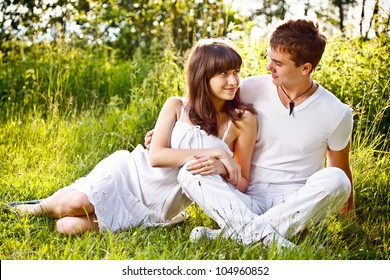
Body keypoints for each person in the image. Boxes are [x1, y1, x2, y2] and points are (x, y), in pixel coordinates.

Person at [10, 38, 258, 235]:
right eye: (223, 73)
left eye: (236, 71)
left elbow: (243, 181)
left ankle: (59, 205)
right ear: (203, 76)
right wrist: (216, 151)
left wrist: (222, 166)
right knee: (76, 203)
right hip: (132, 175)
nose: (234, 81)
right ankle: (34, 208)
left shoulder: (242, 120)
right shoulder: (176, 105)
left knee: (67, 227)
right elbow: (157, 156)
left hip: (161, 203)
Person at [147, 18, 354, 248]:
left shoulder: (337, 113)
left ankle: (237, 233)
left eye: (278, 63)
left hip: (297, 203)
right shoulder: (250, 89)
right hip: (244, 199)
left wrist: (350, 220)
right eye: (269, 58)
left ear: (305, 68)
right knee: (190, 171)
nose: (268, 67)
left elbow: (340, 167)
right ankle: (273, 240)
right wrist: (166, 132)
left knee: (338, 180)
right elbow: (209, 114)